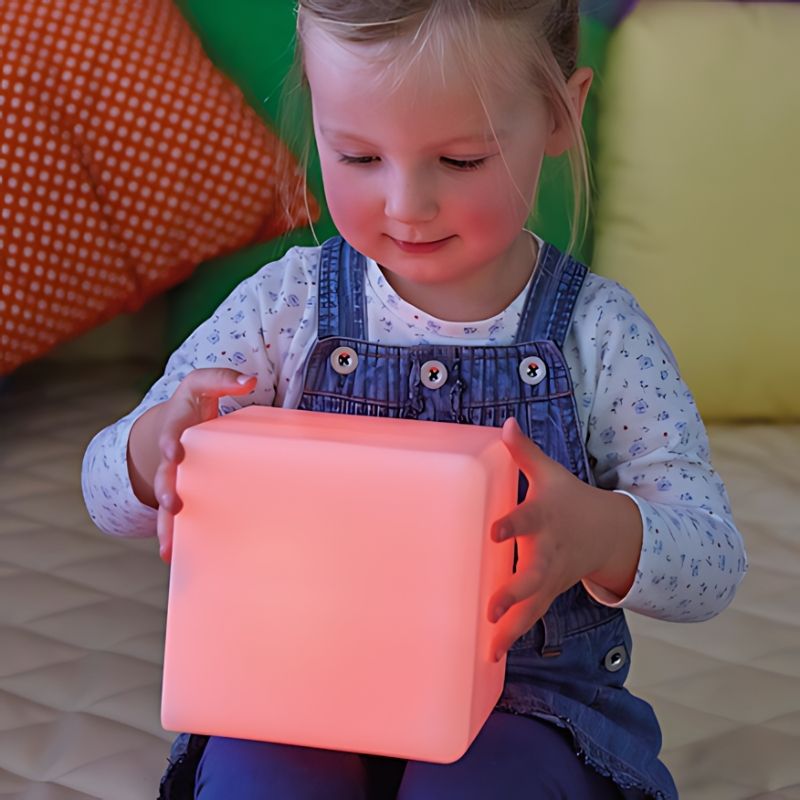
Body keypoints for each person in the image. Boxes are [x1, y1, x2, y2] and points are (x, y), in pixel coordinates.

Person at [81, 1, 747, 798]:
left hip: (528, 709)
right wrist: (155, 453)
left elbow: (713, 561)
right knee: (256, 780)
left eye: (461, 160)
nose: (406, 204)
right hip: (296, 688)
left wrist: (601, 533)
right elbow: (103, 489)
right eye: (358, 156)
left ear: (561, 111)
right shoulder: (285, 308)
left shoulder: (597, 335)